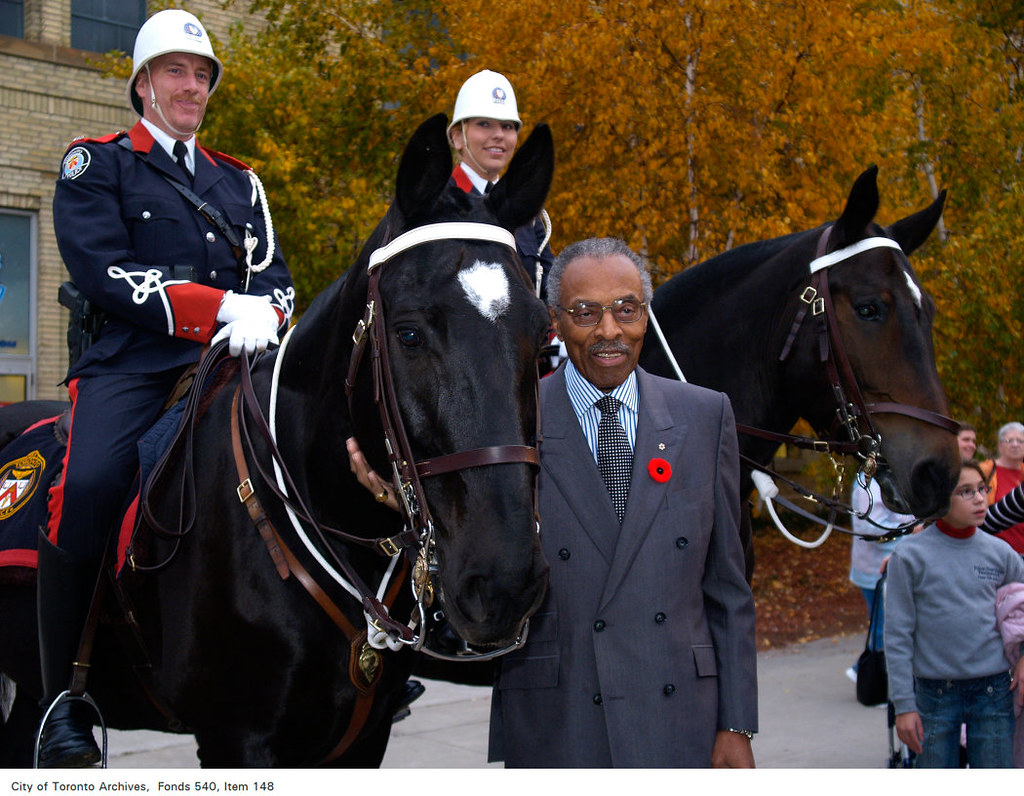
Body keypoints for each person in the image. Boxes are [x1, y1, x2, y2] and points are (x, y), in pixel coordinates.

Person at [38, 9, 294, 767]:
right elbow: (102, 271)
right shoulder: (99, 164)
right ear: (143, 85)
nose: (192, 86)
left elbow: (275, 283)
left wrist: (267, 313)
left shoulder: (240, 182)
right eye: (176, 72)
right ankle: (64, 699)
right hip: (133, 364)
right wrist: (220, 307)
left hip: (229, 365)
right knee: (85, 484)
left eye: (202, 75)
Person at [885, 460, 1024, 768]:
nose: (979, 498)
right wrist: (904, 706)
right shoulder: (909, 556)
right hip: (934, 696)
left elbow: (1022, 612)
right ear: (939, 499)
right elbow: (896, 635)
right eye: (966, 491)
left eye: (982, 489)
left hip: (994, 693)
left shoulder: (1002, 554)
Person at [447, 69, 554, 301]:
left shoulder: (527, 213)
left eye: (507, 126)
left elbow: (551, 287)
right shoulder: (437, 205)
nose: (499, 135)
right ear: (457, 137)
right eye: (484, 124)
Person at [847, 473, 915, 683]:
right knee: (883, 627)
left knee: (887, 625)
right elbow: (872, 529)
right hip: (875, 570)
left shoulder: (896, 474)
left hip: (892, 566)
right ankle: (872, 679)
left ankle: (866, 672)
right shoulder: (867, 483)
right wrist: (912, 532)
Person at [980, 422, 1024, 553]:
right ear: (1000, 446)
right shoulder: (984, 471)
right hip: (994, 552)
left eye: (1020, 441)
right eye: (1009, 440)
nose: (1015, 445)